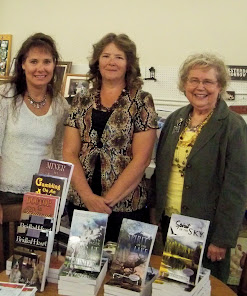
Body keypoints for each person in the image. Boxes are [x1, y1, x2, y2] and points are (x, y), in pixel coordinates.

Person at [151, 53, 247, 283]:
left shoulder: (233, 127)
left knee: (205, 288)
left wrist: (222, 239)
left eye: (208, 81)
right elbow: (162, 170)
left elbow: (237, 188)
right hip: (171, 221)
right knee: (173, 286)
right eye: (194, 80)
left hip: (207, 230)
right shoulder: (175, 120)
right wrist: (155, 212)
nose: (200, 87)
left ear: (220, 86)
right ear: (184, 84)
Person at [63, 33, 158, 242]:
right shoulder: (81, 100)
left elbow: (141, 159)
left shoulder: (142, 101)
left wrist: (106, 202)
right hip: (82, 201)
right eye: (106, 56)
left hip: (126, 205)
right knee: (82, 269)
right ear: (97, 61)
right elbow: (69, 153)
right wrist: (89, 199)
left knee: (123, 270)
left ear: (129, 64)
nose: (111, 62)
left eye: (119, 57)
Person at [0, 32, 69, 205]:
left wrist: (61, 194)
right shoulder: (5, 96)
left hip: (44, 194)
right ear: (23, 64)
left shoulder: (61, 105)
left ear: (54, 65)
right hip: (6, 194)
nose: (41, 68)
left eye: (47, 61)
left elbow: (59, 151)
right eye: (33, 61)